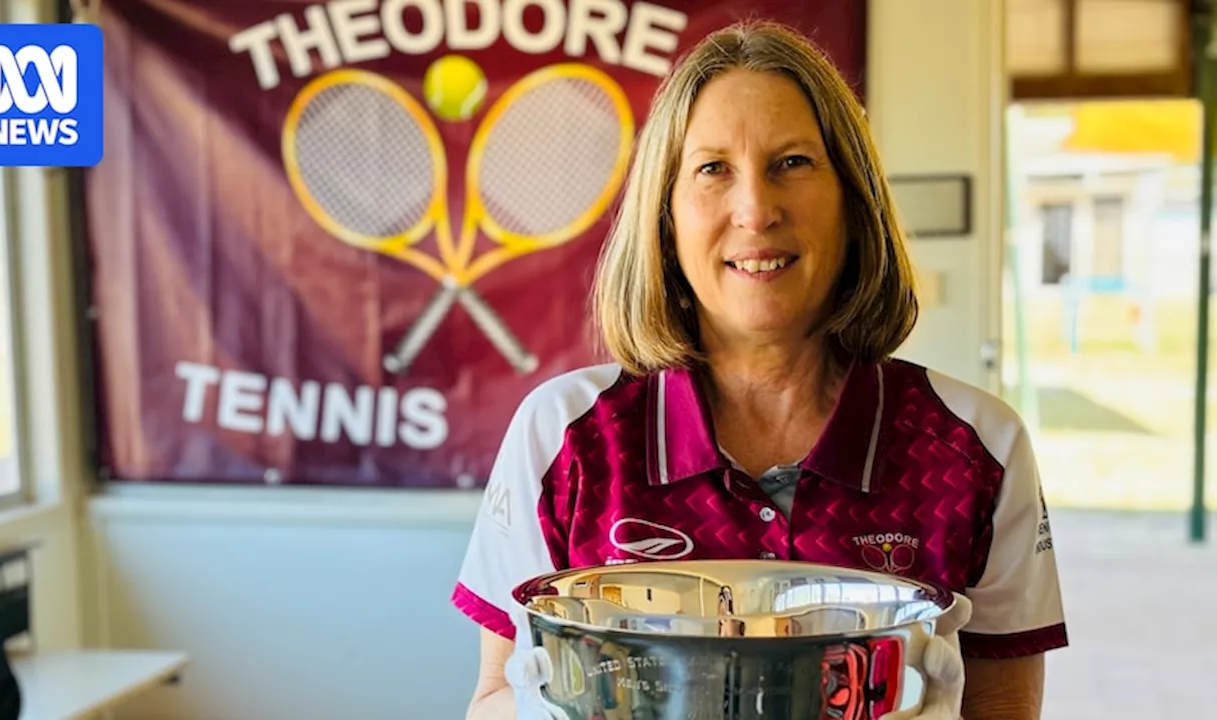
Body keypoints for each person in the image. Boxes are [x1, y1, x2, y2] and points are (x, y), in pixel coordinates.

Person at [452, 19, 1068, 720]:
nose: (755, 210)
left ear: (851, 198)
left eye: (793, 163)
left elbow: (1005, 708)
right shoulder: (563, 438)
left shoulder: (977, 447)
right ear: (666, 215)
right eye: (713, 169)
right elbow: (496, 695)